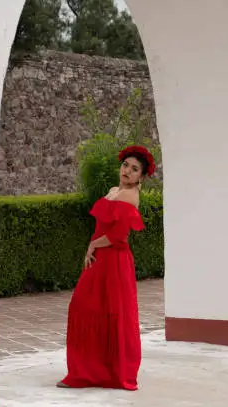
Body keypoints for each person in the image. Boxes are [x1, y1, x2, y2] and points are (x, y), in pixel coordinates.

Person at [57, 145, 156, 391]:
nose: (127, 171)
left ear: (141, 177)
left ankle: (100, 372)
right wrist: (94, 248)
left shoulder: (129, 196)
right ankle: (90, 371)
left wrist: (92, 245)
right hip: (102, 260)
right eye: (126, 165)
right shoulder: (114, 191)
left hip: (114, 261)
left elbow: (119, 235)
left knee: (106, 312)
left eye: (135, 170)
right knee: (86, 307)